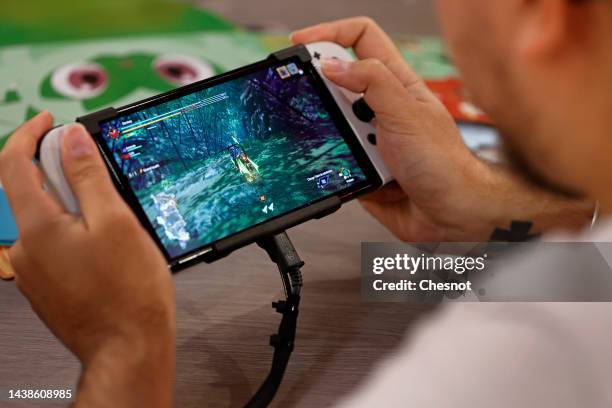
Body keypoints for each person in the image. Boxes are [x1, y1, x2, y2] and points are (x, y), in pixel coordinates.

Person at [1, 0, 611, 405]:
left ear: (542, 17)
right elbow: (599, 266)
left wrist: (122, 354)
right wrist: (493, 204)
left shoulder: (525, 354)